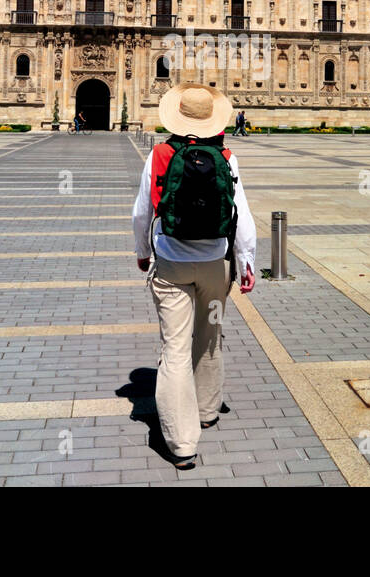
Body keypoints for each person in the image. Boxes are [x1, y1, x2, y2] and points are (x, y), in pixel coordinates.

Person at [133, 83, 255, 470]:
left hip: (171, 264)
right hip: (216, 266)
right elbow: (243, 217)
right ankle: (206, 410)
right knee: (210, 334)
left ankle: (182, 443)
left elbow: (140, 212)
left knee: (174, 349)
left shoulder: (160, 154)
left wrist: (142, 252)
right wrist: (246, 261)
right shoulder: (227, 157)